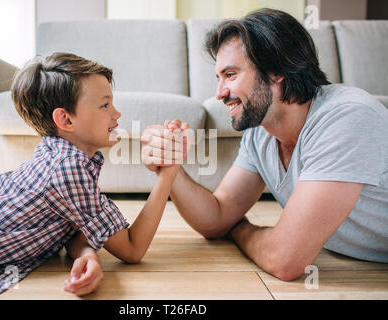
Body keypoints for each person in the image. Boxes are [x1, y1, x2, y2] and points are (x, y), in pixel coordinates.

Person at [141, 8, 388, 281]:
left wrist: (240, 230)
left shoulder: (347, 117)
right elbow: (217, 218)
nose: (220, 93)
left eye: (231, 75)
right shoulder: (261, 134)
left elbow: (284, 260)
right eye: (219, 78)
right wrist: (172, 167)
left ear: (275, 71)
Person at [0, 53, 182, 297]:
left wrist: (88, 255)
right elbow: (132, 249)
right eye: (105, 105)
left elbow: (72, 224)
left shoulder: (58, 151)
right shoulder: (68, 170)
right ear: (65, 119)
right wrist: (168, 172)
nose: (116, 114)